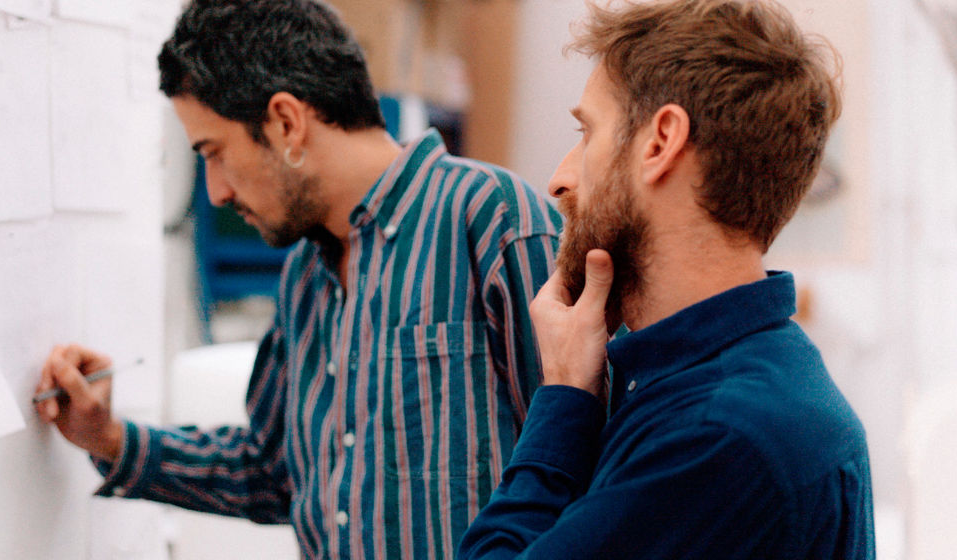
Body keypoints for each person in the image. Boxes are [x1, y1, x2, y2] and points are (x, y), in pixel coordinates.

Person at [34, 0, 562, 557]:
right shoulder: (305, 276)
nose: (216, 192)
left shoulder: (493, 219)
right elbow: (274, 471)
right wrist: (110, 438)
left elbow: (585, 460)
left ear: (286, 122)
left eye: (214, 153)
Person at [458, 0, 874, 558]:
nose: (558, 181)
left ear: (659, 143)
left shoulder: (715, 436)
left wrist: (562, 398)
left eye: (587, 133)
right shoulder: (752, 380)